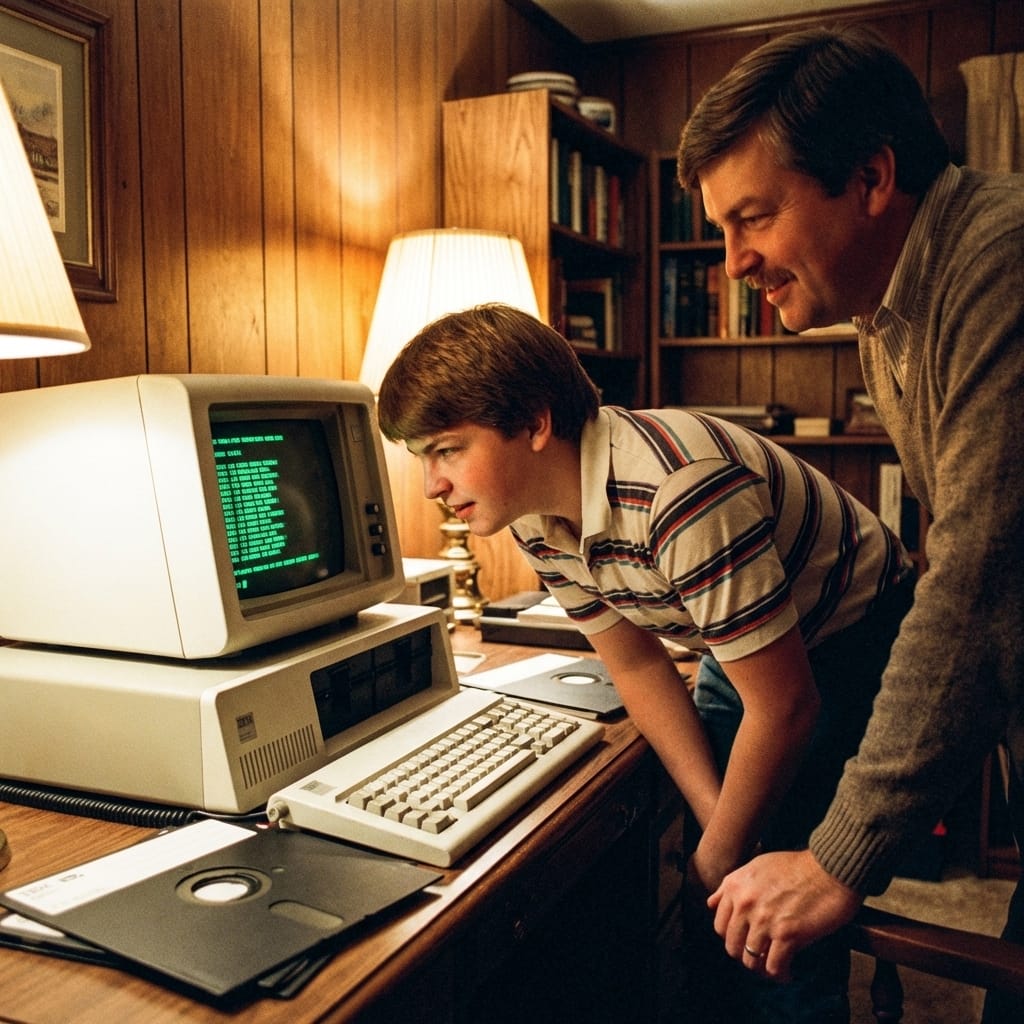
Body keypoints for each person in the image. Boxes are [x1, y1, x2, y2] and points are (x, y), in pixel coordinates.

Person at [377, 300, 914, 1022]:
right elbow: (634, 667)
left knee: (775, 908)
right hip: (736, 644)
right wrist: (717, 829)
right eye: (422, 458)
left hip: (859, 636)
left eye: (445, 449)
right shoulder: (535, 513)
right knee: (713, 861)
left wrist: (730, 851)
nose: (431, 486)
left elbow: (786, 707)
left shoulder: (677, 491)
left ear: (535, 423)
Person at [676, 23, 1024, 1023]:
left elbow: (979, 584)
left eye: (752, 218)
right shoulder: (883, 315)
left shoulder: (999, 262)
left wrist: (835, 859)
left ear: (871, 177)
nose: (732, 260)